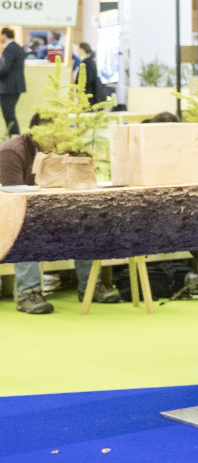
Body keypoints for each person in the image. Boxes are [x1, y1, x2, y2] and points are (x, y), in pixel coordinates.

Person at [0, 115, 106, 314]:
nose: (60, 141)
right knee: (26, 229)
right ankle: (28, 293)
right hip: (14, 214)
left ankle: (91, 287)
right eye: (54, 135)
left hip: (53, 211)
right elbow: (11, 198)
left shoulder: (66, 148)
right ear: (37, 134)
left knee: (86, 225)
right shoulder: (12, 151)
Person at [0, 27, 25, 136]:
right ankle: (15, 138)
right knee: (10, 113)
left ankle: (14, 138)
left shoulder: (9, 48)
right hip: (15, 86)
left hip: (8, 87)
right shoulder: (18, 47)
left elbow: (4, 68)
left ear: (5, 35)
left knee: (8, 114)